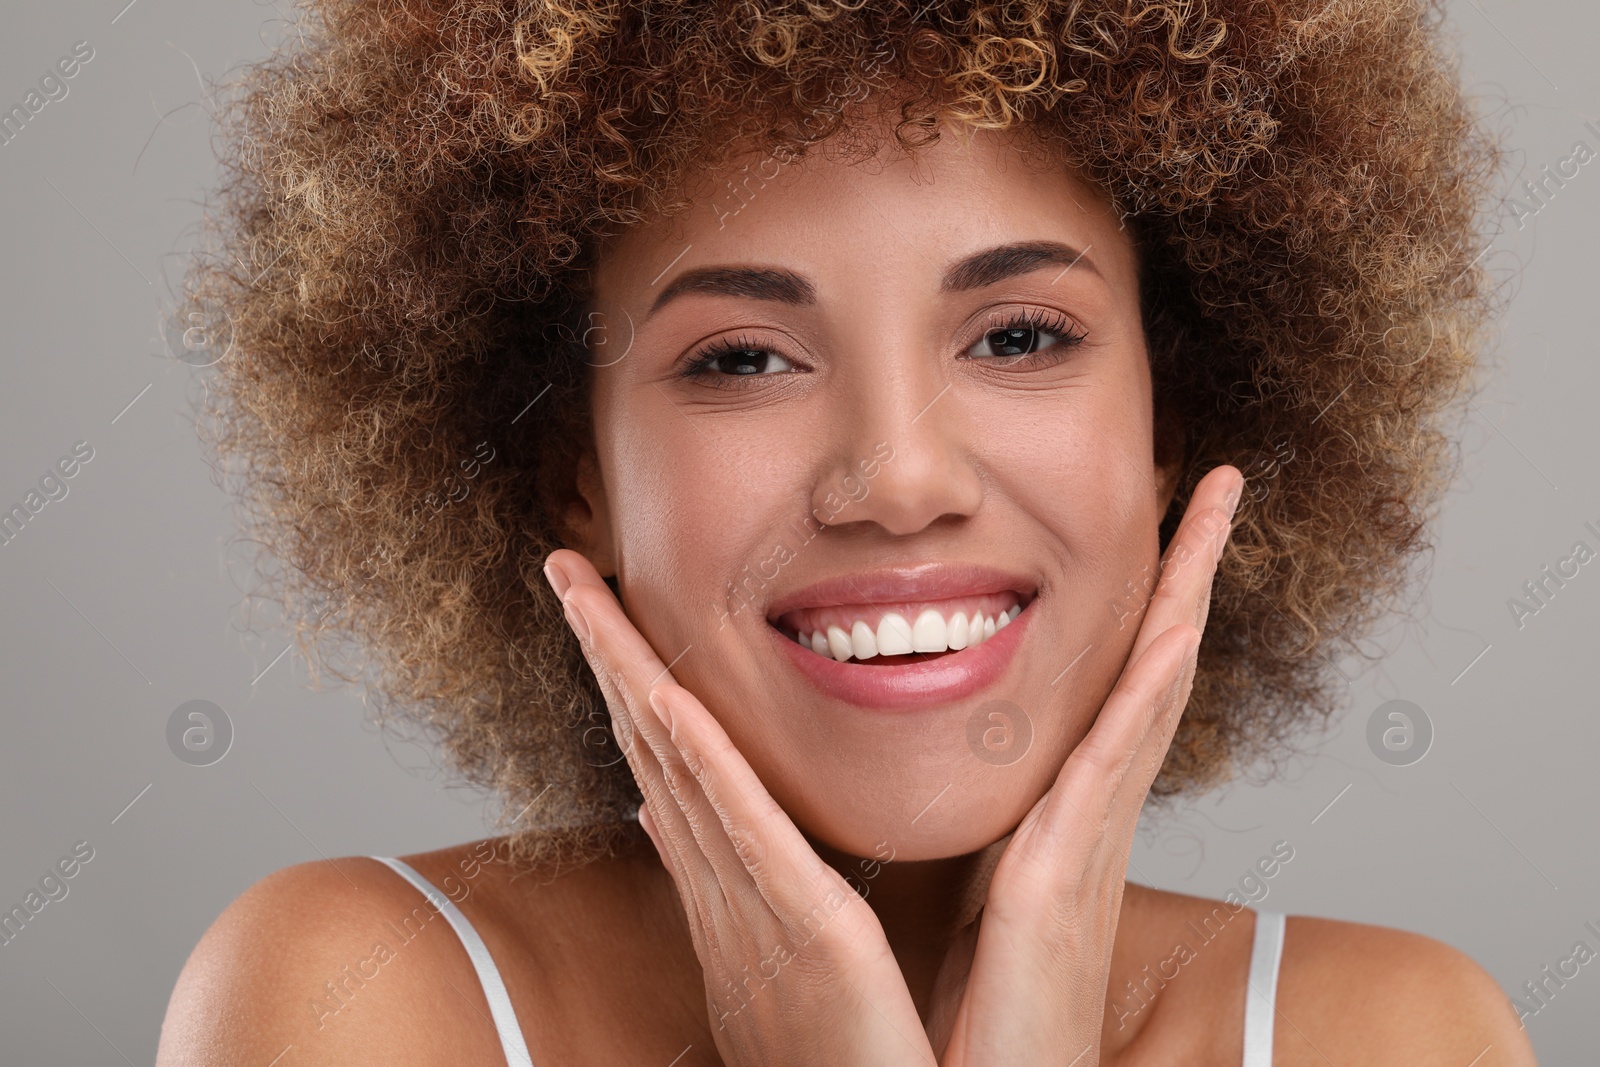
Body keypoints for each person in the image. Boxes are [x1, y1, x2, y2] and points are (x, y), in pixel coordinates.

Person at [156, 1, 1532, 1063]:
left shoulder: (1394, 1034)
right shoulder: (354, 996)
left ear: (1175, 422)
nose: (896, 476)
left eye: (1017, 335)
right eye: (744, 359)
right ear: (575, 473)